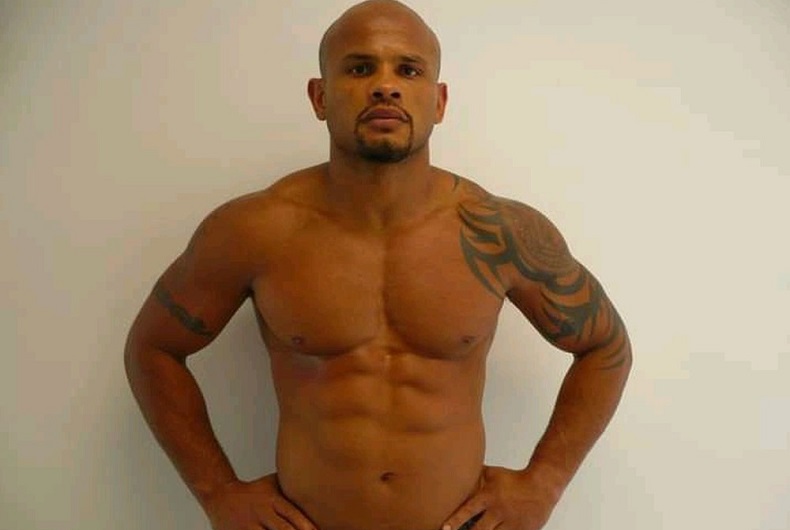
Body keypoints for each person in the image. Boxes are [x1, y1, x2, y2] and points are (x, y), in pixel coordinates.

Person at [124, 1, 632, 529]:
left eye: (408, 70)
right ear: (320, 97)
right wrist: (218, 493)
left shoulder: (498, 233)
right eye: (360, 68)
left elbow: (604, 347)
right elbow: (154, 348)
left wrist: (544, 484)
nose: (385, 86)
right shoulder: (256, 230)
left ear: (439, 101)